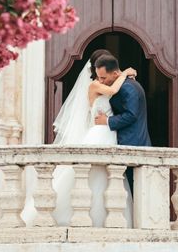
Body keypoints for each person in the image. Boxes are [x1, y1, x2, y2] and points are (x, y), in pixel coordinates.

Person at [21, 50, 136, 227]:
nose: (102, 77)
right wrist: (125, 73)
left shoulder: (101, 84)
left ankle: (103, 216)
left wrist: (119, 75)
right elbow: (113, 89)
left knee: (107, 176)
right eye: (101, 74)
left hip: (108, 132)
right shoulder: (94, 86)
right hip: (99, 133)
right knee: (92, 175)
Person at [94, 53, 151, 193]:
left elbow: (131, 115)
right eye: (99, 77)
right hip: (126, 141)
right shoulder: (122, 84)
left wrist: (106, 121)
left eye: (103, 78)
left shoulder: (128, 87)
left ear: (114, 74)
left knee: (133, 190)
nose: (100, 82)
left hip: (133, 143)